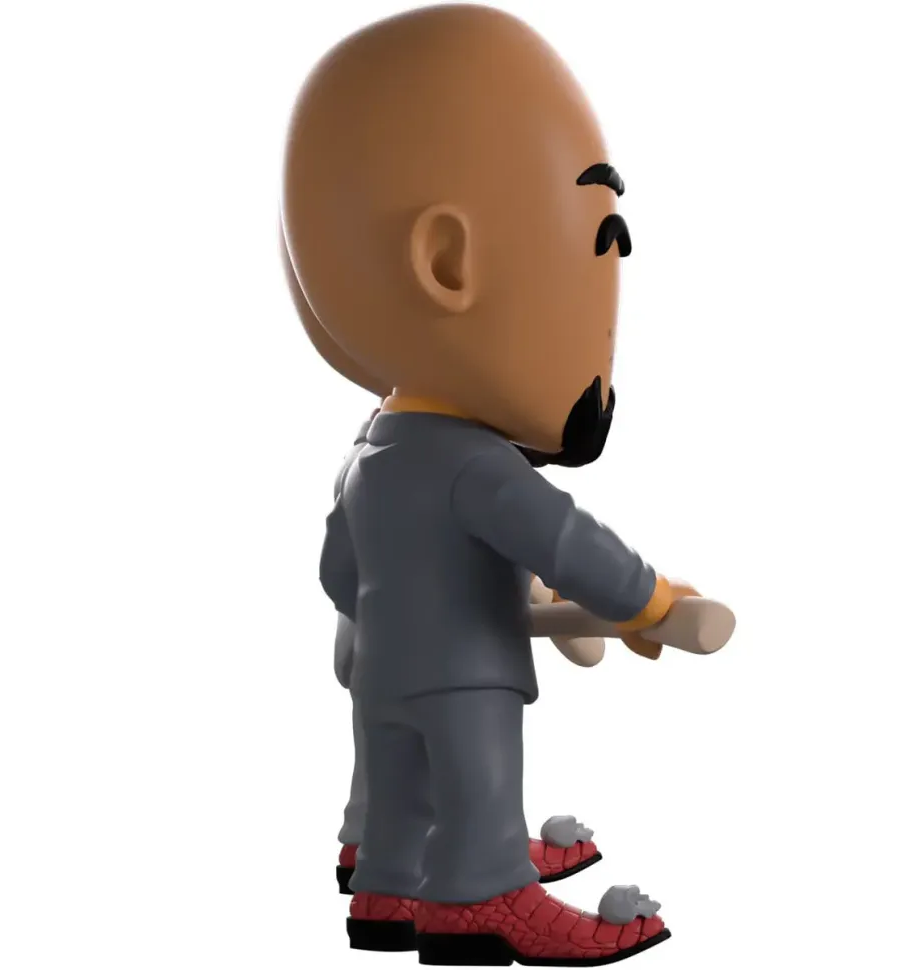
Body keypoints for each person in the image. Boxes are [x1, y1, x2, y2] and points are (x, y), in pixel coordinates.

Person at [281, 6, 699, 964]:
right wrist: (647, 601)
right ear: (447, 263)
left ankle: (388, 885)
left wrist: (418, 613)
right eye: (595, 256)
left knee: (398, 791)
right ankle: (480, 888)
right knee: (476, 788)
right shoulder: (473, 462)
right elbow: (563, 536)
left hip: (380, 678)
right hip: (463, 678)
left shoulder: (370, 452)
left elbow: (339, 573)